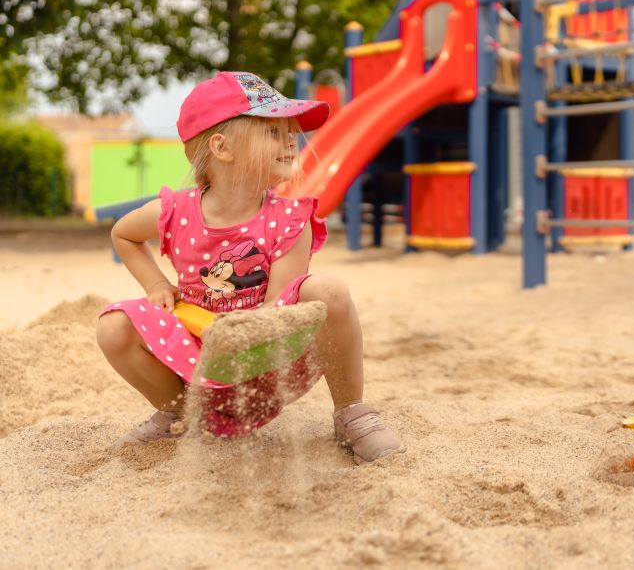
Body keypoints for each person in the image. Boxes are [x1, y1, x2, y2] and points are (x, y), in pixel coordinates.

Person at [96, 71, 403, 464]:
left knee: (327, 290)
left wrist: (240, 334)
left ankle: (352, 414)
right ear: (222, 148)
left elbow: (279, 306)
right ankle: (180, 413)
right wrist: (156, 283)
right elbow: (124, 234)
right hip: (197, 360)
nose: (292, 140)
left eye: (290, 131)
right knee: (113, 325)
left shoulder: (290, 218)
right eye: (273, 132)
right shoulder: (176, 211)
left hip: (265, 359)